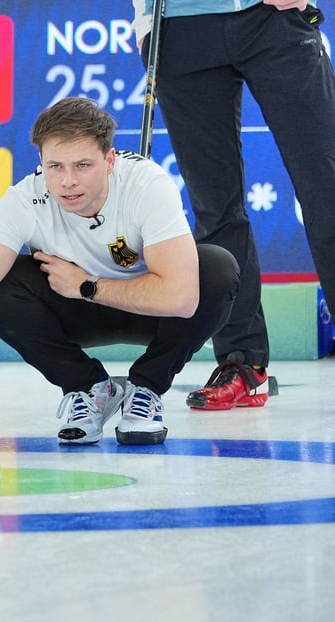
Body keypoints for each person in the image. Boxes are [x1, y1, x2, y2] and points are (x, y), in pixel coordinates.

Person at [0, 97, 240, 446]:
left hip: (151, 312)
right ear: (41, 162)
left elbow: (182, 298)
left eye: (82, 165)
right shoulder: (25, 198)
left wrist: (87, 286)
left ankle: (147, 388)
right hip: (75, 314)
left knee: (217, 269)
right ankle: (88, 387)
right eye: (55, 167)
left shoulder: (147, 185)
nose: (67, 181)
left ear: (109, 160)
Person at [133, 0, 335, 410]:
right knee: (214, 206)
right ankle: (242, 362)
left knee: (326, 186)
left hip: (272, 17)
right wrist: (145, 24)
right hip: (180, 25)